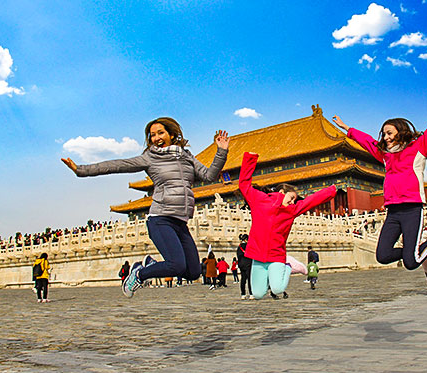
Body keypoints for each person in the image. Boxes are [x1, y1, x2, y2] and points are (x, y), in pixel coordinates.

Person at [62, 118, 229, 298]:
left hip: (181, 221)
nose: (156, 138)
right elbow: (117, 165)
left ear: (172, 135)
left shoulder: (186, 156)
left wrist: (222, 151)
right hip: (160, 219)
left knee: (193, 272)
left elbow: (209, 176)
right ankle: (139, 274)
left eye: (160, 133)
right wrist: (80, 170)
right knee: (176, 265)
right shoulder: (150, 158)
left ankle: (150, 264)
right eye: (152, 135)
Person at [333, 78, 427, 271]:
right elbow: (367, 142)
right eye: (384, 134)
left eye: (390, 133)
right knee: (383, 255)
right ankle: (416, 252)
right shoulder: (385, 155)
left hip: (412, 209)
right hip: (393, 211)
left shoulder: (419, 148)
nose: (385, 137)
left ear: (400, 133)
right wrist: (348, 129)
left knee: (411, 263)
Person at [239, 152, 337, 299]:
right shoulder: (259, 200)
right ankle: (269, 279)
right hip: (258, 255)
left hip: (277, 255)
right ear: (281, 192)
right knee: (258, 294)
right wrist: (250, 159)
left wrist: (330, 191)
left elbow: (311, 200)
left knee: (278, 288)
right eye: (291, 198)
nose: (293, 202)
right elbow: (244, 185)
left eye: (295, 200)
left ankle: (288, 266)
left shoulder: (292, 210)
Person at [237, 234, 254, 300]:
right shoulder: (248, 246)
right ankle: (251, 294)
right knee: (249, 279)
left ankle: (243, 294)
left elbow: (238, 256)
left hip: (241, 265)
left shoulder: (239, 247)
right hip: (248, 264)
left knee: (243, 279)